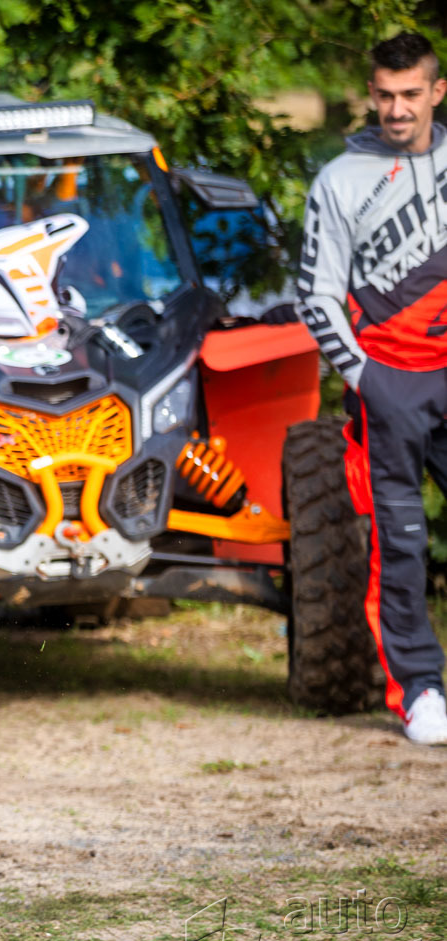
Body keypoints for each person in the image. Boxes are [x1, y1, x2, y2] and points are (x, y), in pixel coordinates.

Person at [297, 32, 447, 744]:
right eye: (385, 95)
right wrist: (365, 378)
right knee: (401, 544)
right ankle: (419, 691)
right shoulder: (338, 180)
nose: (397, 109)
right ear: (370, 94)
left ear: (436, 92)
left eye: (410, 94)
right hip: (387, 389)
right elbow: (315, 295)